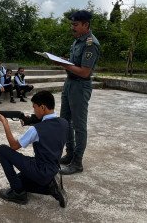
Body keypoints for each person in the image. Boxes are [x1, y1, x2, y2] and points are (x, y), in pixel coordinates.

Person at [0, 90, 69, 207]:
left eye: (35, 108)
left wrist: (5, 123)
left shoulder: (36, 129)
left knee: (2, 150)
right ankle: (50, 188)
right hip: (53, 167)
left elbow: (14, 146)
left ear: (43, 107)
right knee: (19, 180)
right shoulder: (64, 123)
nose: (33, 110)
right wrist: (30, 119)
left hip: (40, 169)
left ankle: (18, 194)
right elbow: (49, 126)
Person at [57, 10, 100, 175]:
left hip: (80, 87)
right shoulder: (77, 41)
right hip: (69, 84)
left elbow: (84, 72)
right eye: (72, 24)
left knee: (79, 126)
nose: (72, 27)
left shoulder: (91, 44)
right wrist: (63, 62)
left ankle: (77, 162)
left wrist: (65, 65)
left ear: (85, 25)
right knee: (64, 122)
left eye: (75, 25)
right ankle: (69, 154)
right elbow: (74, 64)